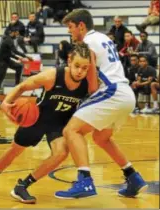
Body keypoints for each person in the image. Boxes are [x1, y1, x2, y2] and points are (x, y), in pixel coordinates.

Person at [0, 43, 93, 204]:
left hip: (60, 123)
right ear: (69, 61)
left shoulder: (88, 83)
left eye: (85, 68)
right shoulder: (52, 76)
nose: (80, 71)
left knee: (61, 153)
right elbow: (23, 86)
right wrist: (6, 102)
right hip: (38, 117)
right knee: (14, 150)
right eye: (77, 66)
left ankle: (23, 185)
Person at [54, 9, 148, 199]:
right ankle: (133, 177)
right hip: (125, 93)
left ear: (81, 26)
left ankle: (85, 181)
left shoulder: (87, 43)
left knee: (71, 130)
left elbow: (93, 84)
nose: (70, 33)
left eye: (71, 28)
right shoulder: (102, 37)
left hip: (111, 92)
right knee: (101, 138)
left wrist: (80, 96)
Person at [0, 30, 32, 105]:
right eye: (17, 33)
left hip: (6, 59)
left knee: (19, 67)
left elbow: (9, 53)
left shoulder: (9, 40)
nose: (17, 35)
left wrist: (17, 58)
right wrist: (26, 56)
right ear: (12, 33)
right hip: (1, 61)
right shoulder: (8, 40)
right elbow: (15, 51)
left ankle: (16, 88)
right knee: (1, 78)